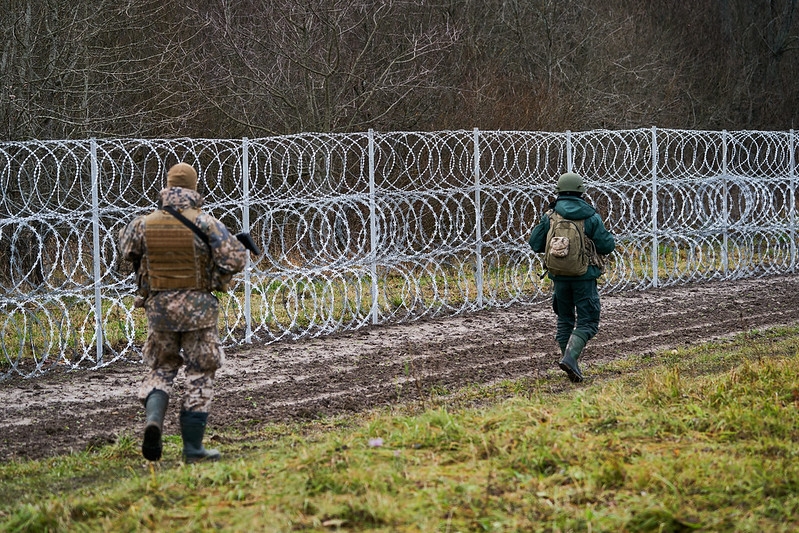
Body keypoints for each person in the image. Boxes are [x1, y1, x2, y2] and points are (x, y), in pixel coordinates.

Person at [119, 162, 248, 462]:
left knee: (162, 368)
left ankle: (154, 422)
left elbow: (127, 252)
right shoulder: (206, 224)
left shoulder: (143, 224)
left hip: (160, 310)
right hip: (198, 313)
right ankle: (192, 448)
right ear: (193, 188)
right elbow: (235, 261)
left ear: (167, 187)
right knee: (200, 371)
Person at [528, 172, 615, 383]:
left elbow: (535, 243)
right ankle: (570, 357)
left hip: (559, 277)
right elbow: (607, 245)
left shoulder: (550, 216)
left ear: (558, 191)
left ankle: (569, 361)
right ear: (581, 191)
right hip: (584, 278)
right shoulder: (591, 216)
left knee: (564, 319)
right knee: (588, 321)